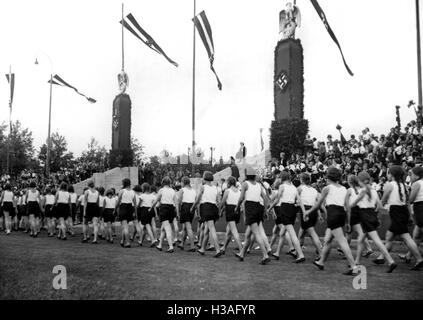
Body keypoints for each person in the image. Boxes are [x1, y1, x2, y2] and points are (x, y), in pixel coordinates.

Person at [306, 167, 359, 275]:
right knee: (328, 240)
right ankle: (321, 262)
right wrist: (348, 222)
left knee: (342, 240)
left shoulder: (327, 188)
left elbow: (318, 204)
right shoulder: (344, 189)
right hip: (341, 214)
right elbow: (347, 207)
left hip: (333, 213)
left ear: (328, 176)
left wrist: (308, 212)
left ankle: (353, 266)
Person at [374, 165, 423, 270]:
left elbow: (383, 200)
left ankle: (419, 259)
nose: (387, 174)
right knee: (389, 236)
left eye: (388, 173)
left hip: (396, 212)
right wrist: (409, 216)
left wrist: (377, 210)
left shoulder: (390, 185)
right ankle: (381, 257)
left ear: (391, 174)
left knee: (406, 237)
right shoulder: (404, 185)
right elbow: (407, 203)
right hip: (403, 212)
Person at [349, 172, 397, 272]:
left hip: (365, 216)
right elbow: (379, 205)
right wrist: (375, 216)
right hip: (372, 215)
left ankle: (390, 261)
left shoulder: (362, 191)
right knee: (360, 239)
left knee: (377, 241)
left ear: (360, 181)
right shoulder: (374, 191)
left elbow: (353, 204)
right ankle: (357, 261)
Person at [234, 166, 270, 265]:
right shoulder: (258, 185)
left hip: (250, 207)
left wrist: (237, 207)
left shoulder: (245, 184)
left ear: (246, 175)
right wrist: (265, 211)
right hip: (258, 207)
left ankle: (265, 255)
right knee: (248, 234)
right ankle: (242, 254)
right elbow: (265, 198)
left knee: (256, 233)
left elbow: (241, 198)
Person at [268, 171, 306, 263]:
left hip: (285, 209)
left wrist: (270, 208)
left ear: (282, 178)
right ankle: (277, 253)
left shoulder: (282, 186)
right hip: (292, 209)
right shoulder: (294, 187)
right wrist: (304, 212)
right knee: (282, 233)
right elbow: (299, 200)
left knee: (292, 234)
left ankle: (300, 254)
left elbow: (277, 199)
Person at [191, 171, 222, 258]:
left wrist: (193, 207)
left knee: (211, 229)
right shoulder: (216, 188)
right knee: (207, 230)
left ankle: (218, 249)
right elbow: (219, 202)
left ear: (204, 178)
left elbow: (197, 199)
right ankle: (202, 249)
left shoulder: (202, 187)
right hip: (214, 208)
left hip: (206, 208)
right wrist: (219, 212)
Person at [344, 175, 373, 258]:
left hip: (352, 211)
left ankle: (345, 251)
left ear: (349, 182)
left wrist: (346, 211)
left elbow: (346, 203)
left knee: (348, 232)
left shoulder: (349, 190)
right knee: (361, 232)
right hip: (360, 211)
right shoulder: (361, 189)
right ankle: (368, 248)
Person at [400, 166, 423, 263]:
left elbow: (411, 199)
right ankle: (408, 256)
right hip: (420, 209)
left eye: (412, 174)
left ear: (417, 176)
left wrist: (408, 192)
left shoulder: (416, 183)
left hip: (420, 209)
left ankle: (417, 259)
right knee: (416, 235)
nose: (411, 176)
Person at [297, 173, 323, 259]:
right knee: (302, 232)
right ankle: (297, 251)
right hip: (313, 211)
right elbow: (318, 203)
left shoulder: (300, 188)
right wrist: (319, 214)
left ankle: (321, 253)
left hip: (305, 210)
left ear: (302, 180)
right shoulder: (314, 190)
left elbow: (296, 199)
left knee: (312, 233)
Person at [151, 177, 176, 253]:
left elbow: (156, 202)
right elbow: (175, 202)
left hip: (164, 209)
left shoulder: (161, 190)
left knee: (167, 229)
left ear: (163, 183)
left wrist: (151, 208)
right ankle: (160, 245)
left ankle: (171, 246)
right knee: (163, 229)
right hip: (171, 209)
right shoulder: (173, 191)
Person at [219, 176, 243, 253]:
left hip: (230, 210)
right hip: (237, 210)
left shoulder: (227, 191)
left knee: (234, 231)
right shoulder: (239, 191)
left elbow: (222, 203)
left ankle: (241, 249)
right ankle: (223, 248)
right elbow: (241, 201)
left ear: (228, 183)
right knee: (229, 231)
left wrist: (220, 210)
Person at [176, 177, 197, 251]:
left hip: (185, 207)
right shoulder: (194, 191)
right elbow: (195, 202)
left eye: (181, 182)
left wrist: (177, 212)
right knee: (185, 227)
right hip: (192, 208)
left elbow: (178, 202)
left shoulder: (182, 190)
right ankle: (182, 243)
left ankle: (192, 246)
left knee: (188, 227)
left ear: (183, 182)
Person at [116, 178, 137, 248]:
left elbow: (118, 202)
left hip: (123, 207)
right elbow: (135, 204)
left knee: (125, 227)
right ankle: (122, 240)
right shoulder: (133, 192)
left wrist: (115, 209)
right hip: (130, 208)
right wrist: (135, 213)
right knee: (125, 225)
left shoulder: (122, 191)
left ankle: (127, 242)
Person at [136, 183, 157, 247]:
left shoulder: (142, 196)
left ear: (143, 188)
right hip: (151, 211)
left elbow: (139, 205)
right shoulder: (152, 196)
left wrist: (137, 208)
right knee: (145, 227)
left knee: (147, 225)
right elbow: (154, 204)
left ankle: (152, 240)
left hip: (144, 211)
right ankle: (140, 241)